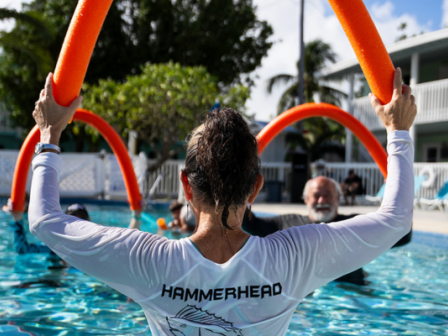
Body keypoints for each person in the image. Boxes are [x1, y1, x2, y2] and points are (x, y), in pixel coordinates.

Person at [28, 69, 416, 335]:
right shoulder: (297, 255)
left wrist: (50, 134)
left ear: (185, 187)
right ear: (256, 189)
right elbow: (396, 219)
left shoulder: (146, 260)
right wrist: (398, 131)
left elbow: (45, 220)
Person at [242, 176, 412, 285]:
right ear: (306, 200)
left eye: (328, 195)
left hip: (352, 295)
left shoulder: (355, 224)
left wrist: (398, 192)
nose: (322, 200)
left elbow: (401, 235)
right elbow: (249, 224)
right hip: (306, 302)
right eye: (316, 195)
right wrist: (242, 191)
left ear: (338, 198)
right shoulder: (285, 224)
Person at [3, 199, 89, 255]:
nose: (78, 225)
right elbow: (23, 250)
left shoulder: (94, 245)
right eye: (72, 220)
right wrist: (17, 218)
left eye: (82, 220)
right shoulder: (56, 247)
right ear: (64, 224)